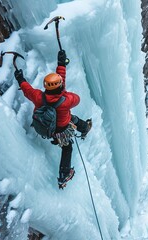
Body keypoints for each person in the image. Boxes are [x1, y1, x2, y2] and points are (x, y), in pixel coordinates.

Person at [14, 50, 92, 188]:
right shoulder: (66, 101)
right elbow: (77, 99)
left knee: (72, 124)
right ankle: (64, 175)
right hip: (62, 129)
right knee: (68, 146)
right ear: (60, 86)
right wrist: (64, 91)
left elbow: (28, 90)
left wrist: (20, 79)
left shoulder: (39, 97)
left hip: (48, 127)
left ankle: (84, 128)